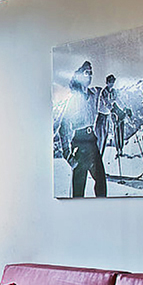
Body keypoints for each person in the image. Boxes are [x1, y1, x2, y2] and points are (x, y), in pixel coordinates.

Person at [55, 60, 107, 197]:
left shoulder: (94, 95)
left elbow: (105, 110)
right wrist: (68, 156)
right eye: (86, 73)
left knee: (101, 182)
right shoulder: (73, 98)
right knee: (79, 188)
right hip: (79, 142)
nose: (89, 76)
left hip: (92, 142)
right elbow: (63, 128)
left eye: (91, 73)